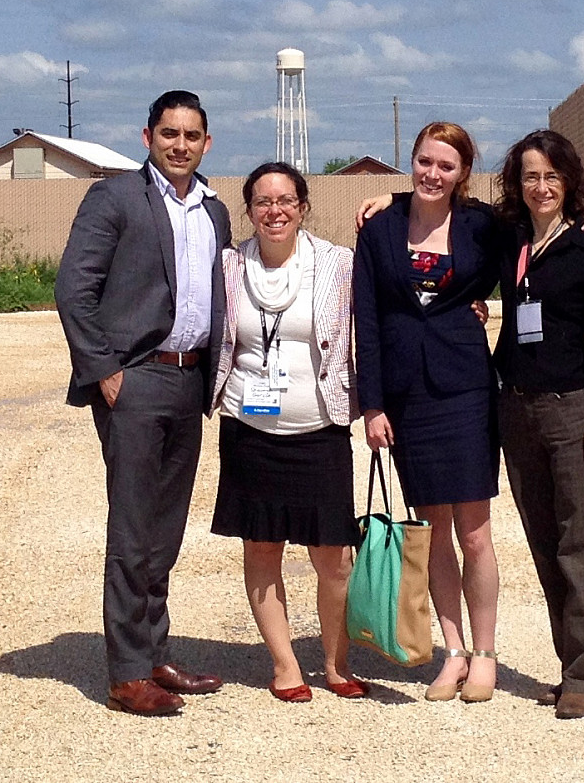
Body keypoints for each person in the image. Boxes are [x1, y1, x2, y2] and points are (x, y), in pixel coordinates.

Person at [55, 90, 229, 716]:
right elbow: (74, 288)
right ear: (147, 136)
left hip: (189, 381)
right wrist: (104, 369)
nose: (180, 145)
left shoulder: (215, 210)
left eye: (191, 135)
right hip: (135, 379)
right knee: (133, 527)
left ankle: (155, 654)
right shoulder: (115, 198)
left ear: (207, 143)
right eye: (169, 134)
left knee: (166, 528)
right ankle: (127, 674)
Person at [353, 121, 503, 703]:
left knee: (475, 533)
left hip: (464, 390)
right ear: (410, 161)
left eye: (446, 165)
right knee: (431, 532)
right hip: (406, 398)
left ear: (463, 173)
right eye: (423, 161)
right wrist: (373, 405)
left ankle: (485, 653)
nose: (432, 174)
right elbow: (367, 318)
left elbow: (540, 235)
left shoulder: (482, 225)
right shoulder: (380, 228)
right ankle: (453, 652)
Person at [211, 162, 366, 703]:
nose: (274, 211)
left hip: (320, 428)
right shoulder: (229, 265)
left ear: (303, 206)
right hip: (248, 429)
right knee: (262, 548)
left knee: (335, 557)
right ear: (249, 209)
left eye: (285, 201)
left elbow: (389, 305)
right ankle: (284, 665)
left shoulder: (338, 263)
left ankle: (337, 662)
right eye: (262, 201)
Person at [493, 129, 584, 720]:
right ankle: (576, 662)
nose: (540, 187)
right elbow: (450, 207)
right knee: (545, 544)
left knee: (579, 546)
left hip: (572, 408)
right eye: (530, 176)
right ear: (516, 183)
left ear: (568, 181)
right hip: (517, 408)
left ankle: (582, 676)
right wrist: (387, 198)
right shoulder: (510, 237)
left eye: (551, 176)